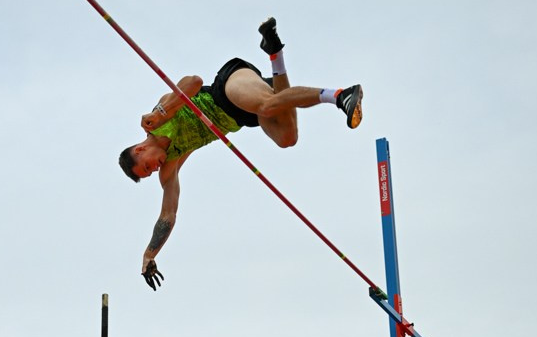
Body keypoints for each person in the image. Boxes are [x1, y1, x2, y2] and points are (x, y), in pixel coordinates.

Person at [119, 18, 363, 289]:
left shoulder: (159, 118)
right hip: (240, 117)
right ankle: (275, 53)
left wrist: (160, 112)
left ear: (140, 149)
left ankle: (340, 95)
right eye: (149, 172)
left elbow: (194, 82)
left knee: (269, 106)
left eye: (146, 166)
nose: (154, 170)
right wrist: (149, 254)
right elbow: (168, 215)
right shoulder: (170, 167)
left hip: (227, 88)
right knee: (287, 137)